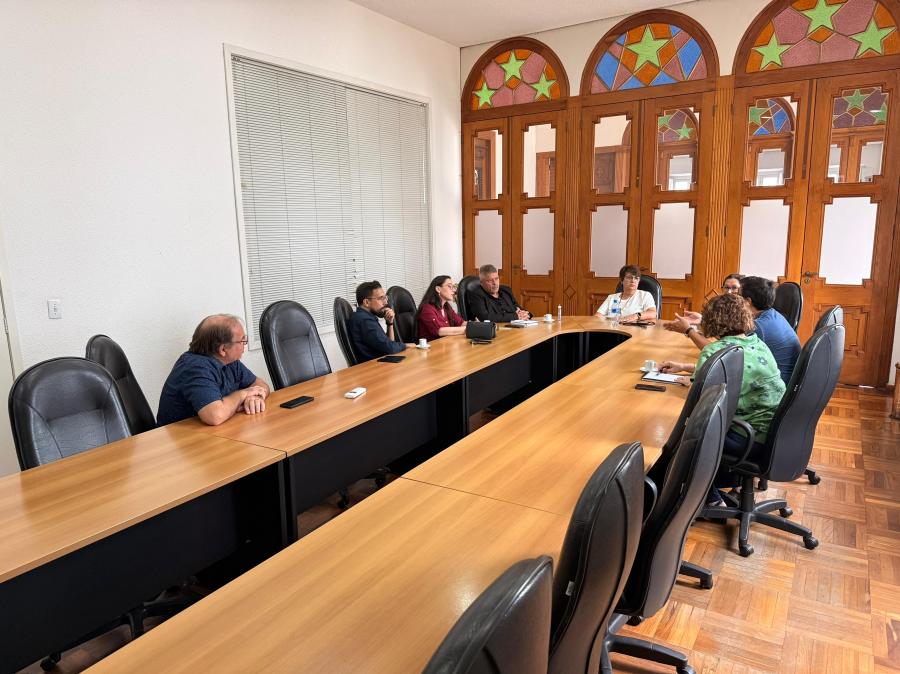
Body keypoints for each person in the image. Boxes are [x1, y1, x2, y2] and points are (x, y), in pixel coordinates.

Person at [658, 294, 786, 505]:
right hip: (774, 434)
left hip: (747, 437)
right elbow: (736, 368)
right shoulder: (757, 343)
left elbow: (701, 405)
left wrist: (694, 382)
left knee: (680, 435)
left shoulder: (714, 350)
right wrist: (684, 367)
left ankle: (708, 499)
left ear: (712, 320)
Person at [666, 275, 800, 384]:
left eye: (738, 294)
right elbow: (728, 352)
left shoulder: (758, 327)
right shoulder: (772, 316)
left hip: (763, 392)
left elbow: (718, 354)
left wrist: (689, 330)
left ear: (747, 301)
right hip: (766, 384)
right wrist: (684, 367)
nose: (734, 296)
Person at [157, 314, 270, 426]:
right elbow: (215, 416)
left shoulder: (230, 362)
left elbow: (261, 385)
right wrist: (243, 394)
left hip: (214, 431)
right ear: (223, 349)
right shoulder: (195, 368)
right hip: (181, 435)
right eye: (242, 341)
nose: (244, 344)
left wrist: (255, 397)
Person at [349, 280, 415, 362]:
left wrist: (389, 323)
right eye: (381, 298)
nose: (386, 302)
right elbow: (390, 348)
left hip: (381, 362)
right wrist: (406, 345)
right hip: (374, 366)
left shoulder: (366, 317)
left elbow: (389, 344)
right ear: (366, 302)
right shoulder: (365, 321)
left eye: (385, 298)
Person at [664, 273, 743, 332]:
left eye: (734, 288)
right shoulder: (717, 304)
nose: (729, 292)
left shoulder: (745, 310)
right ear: (722, 289)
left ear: (741, 290)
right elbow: (715, 330)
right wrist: (701, 320)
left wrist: (689, 330)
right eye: (726, 287)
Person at [417, 275, 467, 341]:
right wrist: (469, 328)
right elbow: (440, 331)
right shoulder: (427, 308)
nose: (454, 290)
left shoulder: (447, 307)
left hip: (445, 344)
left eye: (453, 287)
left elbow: (461, 323)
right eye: (449, 286)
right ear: (438, 289)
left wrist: (477, 325)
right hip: (432, 346)